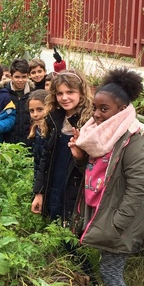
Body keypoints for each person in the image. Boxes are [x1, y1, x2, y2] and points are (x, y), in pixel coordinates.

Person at [69, 68, 144, 286]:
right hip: (103, 215)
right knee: (108, 274)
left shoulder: (135, 140)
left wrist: (117, 223)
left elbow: (137, 189)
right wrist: (80, 158)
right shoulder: (104, 135)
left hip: (119, 222)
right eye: (95, 107)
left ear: (122, 109)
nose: (96, 114)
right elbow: (96, 176)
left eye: (103, 109)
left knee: (110, 273)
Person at [31, 69, 93, 223]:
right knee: (52, 225)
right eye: (59, 93)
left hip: (77, 190)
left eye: (70, 92)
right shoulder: (54, 118)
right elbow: (45, 158)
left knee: (71, 232)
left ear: (81, 92)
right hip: (54, 184)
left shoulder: (90, 122)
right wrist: (39, 192)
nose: (64, 98)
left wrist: (80, 155)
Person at [4, 58, 33, 147]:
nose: (20, 80)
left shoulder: (33, 93)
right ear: (11, 76)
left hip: (28, 142)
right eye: (17, 77)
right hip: (7, 142)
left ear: (28, 76)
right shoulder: (4, 93)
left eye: (24, 77)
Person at [27, 89, 49, 179]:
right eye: (32, 111)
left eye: (40, 109)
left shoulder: (52, 131)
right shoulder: (36, 130)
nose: (35, 114)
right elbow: (37, 163)